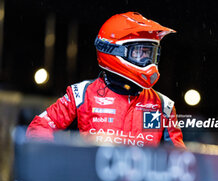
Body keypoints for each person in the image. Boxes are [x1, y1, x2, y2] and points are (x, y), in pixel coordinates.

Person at [26, 12, 186, 148]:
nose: (147, 61)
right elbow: (38, 128)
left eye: (150, 54)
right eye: (139, 53)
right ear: (113, 50)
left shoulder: (163, 106)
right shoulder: (81, 94)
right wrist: (63, 164)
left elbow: (181, 161)